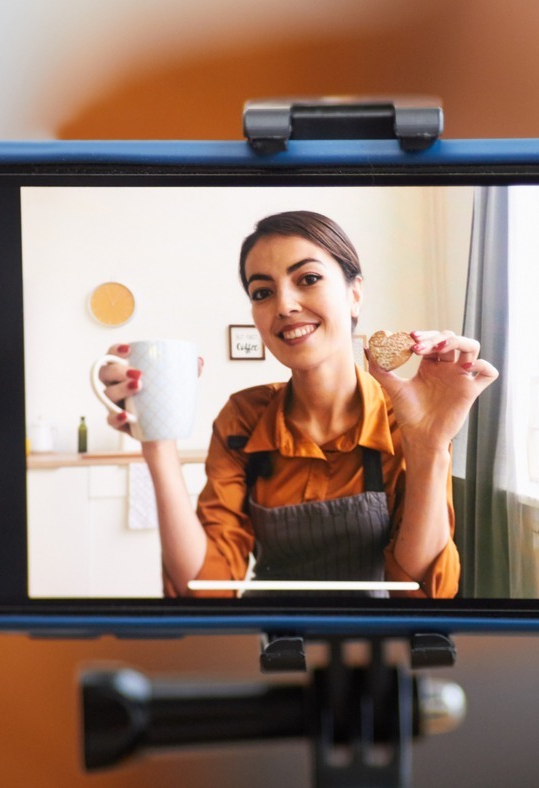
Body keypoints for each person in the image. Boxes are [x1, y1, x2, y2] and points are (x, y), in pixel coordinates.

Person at [97, 210, 498, 598]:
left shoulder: (404, 420)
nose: (284, 305)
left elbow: (422, 596)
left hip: (378, 637)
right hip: (271, 636)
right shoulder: (244, 418)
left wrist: (428, 445)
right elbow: (203, 589)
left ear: (355, 294)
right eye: (262, 292)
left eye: (308, 279)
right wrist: (156, 442)